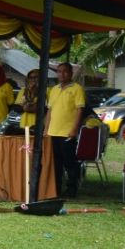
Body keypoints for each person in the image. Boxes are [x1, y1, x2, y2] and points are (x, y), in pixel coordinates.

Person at [45, 62, 85, 198]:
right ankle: (55, 189)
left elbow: (80, 110)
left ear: (71, 73)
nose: (62, 74)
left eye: (65, 71)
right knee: (56, 164)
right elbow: (50, 111)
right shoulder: (54, 89)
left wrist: (74, 129)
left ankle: (71, 189)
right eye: (59, 71)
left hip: (67, 132)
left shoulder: (77, 88)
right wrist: (46, 129)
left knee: (69, 163)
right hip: (52, 132)